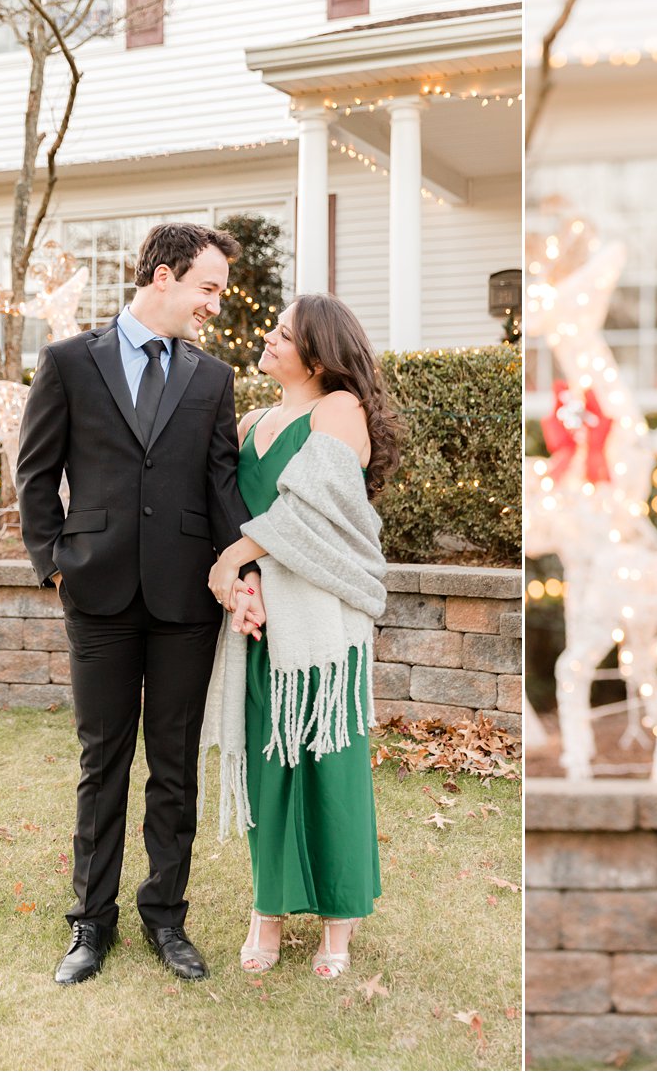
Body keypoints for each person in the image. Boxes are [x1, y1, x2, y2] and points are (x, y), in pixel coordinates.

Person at [16, 222, 254, 985]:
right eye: (207, 287)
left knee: (175, 764)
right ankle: (91, 923)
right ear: (161, 276)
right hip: (97, 591)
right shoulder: (67, 363)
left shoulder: (213, 379)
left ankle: (166, 917)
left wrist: (237, 573)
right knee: (102, 761)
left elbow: (222, 489)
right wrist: (54, 566)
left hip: (188, 599)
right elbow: (34, 474)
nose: (216, 303)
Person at [200, 292, 400, 980]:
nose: (270, 339)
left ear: (317, 354)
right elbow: (224, 509)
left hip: (322, 620)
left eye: (284, 334)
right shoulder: (250, 419)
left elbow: (311, 506)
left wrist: (234, 559)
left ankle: (338, 925)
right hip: (259, 621)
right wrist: (240, 581)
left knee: (328, 766)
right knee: (268, 767)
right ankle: (268, 909)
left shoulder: (338, 409)